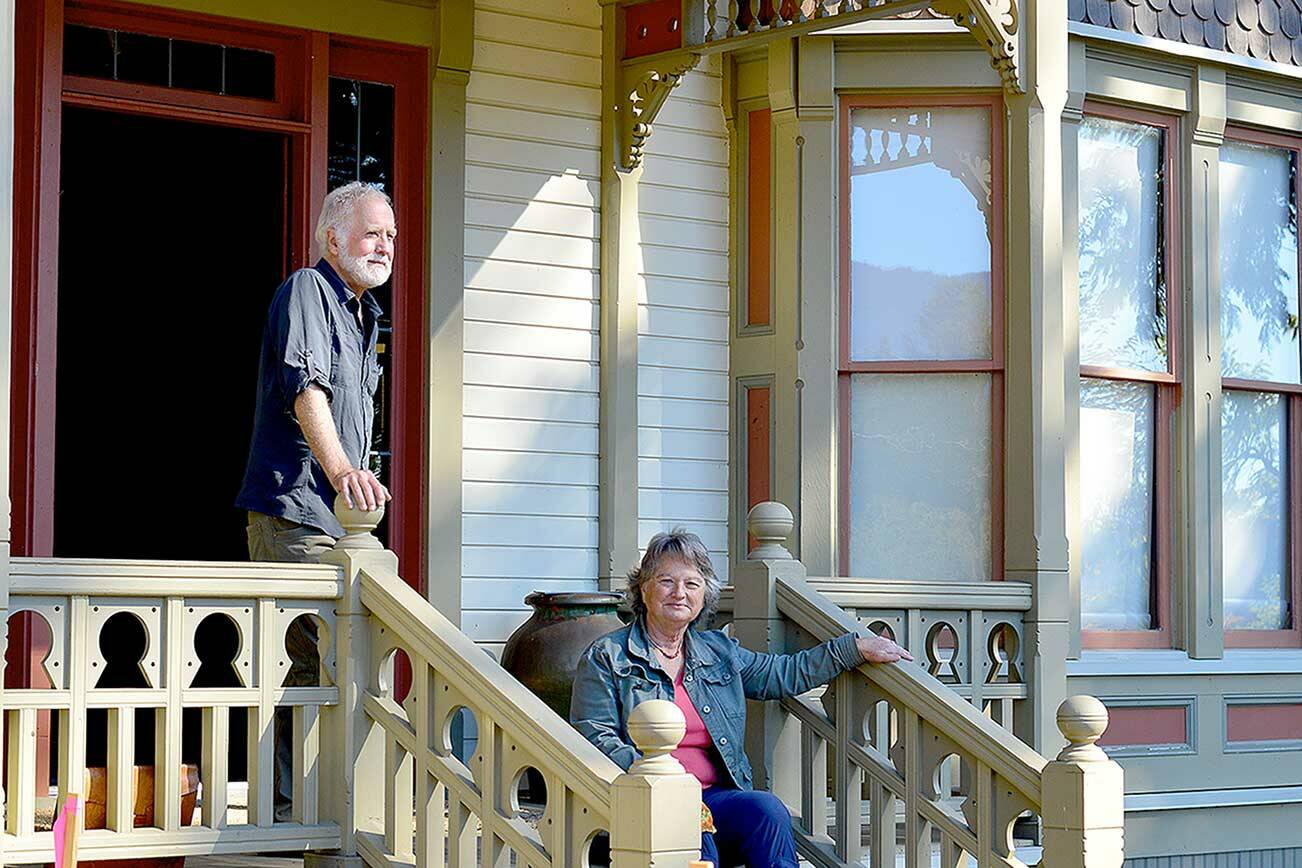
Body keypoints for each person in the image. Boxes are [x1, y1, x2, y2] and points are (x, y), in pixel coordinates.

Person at [570, 529, 912, 868]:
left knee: (766, 811)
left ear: (704, 596)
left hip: (715, 799)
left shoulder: (718, 652)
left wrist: (852, 648)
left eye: (692, 584)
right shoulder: (609, 656)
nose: (679, 593)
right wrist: (667, 785)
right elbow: (594, 736)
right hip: (644, 801)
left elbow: (783, 674)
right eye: (666, 582)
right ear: (643, 589)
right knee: (691, 830)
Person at [235, 181, 395, 821]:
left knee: (325, 662)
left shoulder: (364, 315)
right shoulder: (308, 288)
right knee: (314, 657)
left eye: (390, 236)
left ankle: (308, 803)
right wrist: (344, 474)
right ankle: (285, 807)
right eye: (371, 233)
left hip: (332, 518)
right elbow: (307, 391)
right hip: (294, 511)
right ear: (334, 238)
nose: (383, 246)